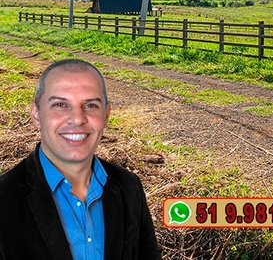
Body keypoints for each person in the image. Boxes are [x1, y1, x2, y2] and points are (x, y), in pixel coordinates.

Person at [0, 58, 161, 260]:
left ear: (106, 114)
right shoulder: (4, 197)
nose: (77, 119)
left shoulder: (129, 187)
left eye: (91, 105)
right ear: (36, 114)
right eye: (60, 104)